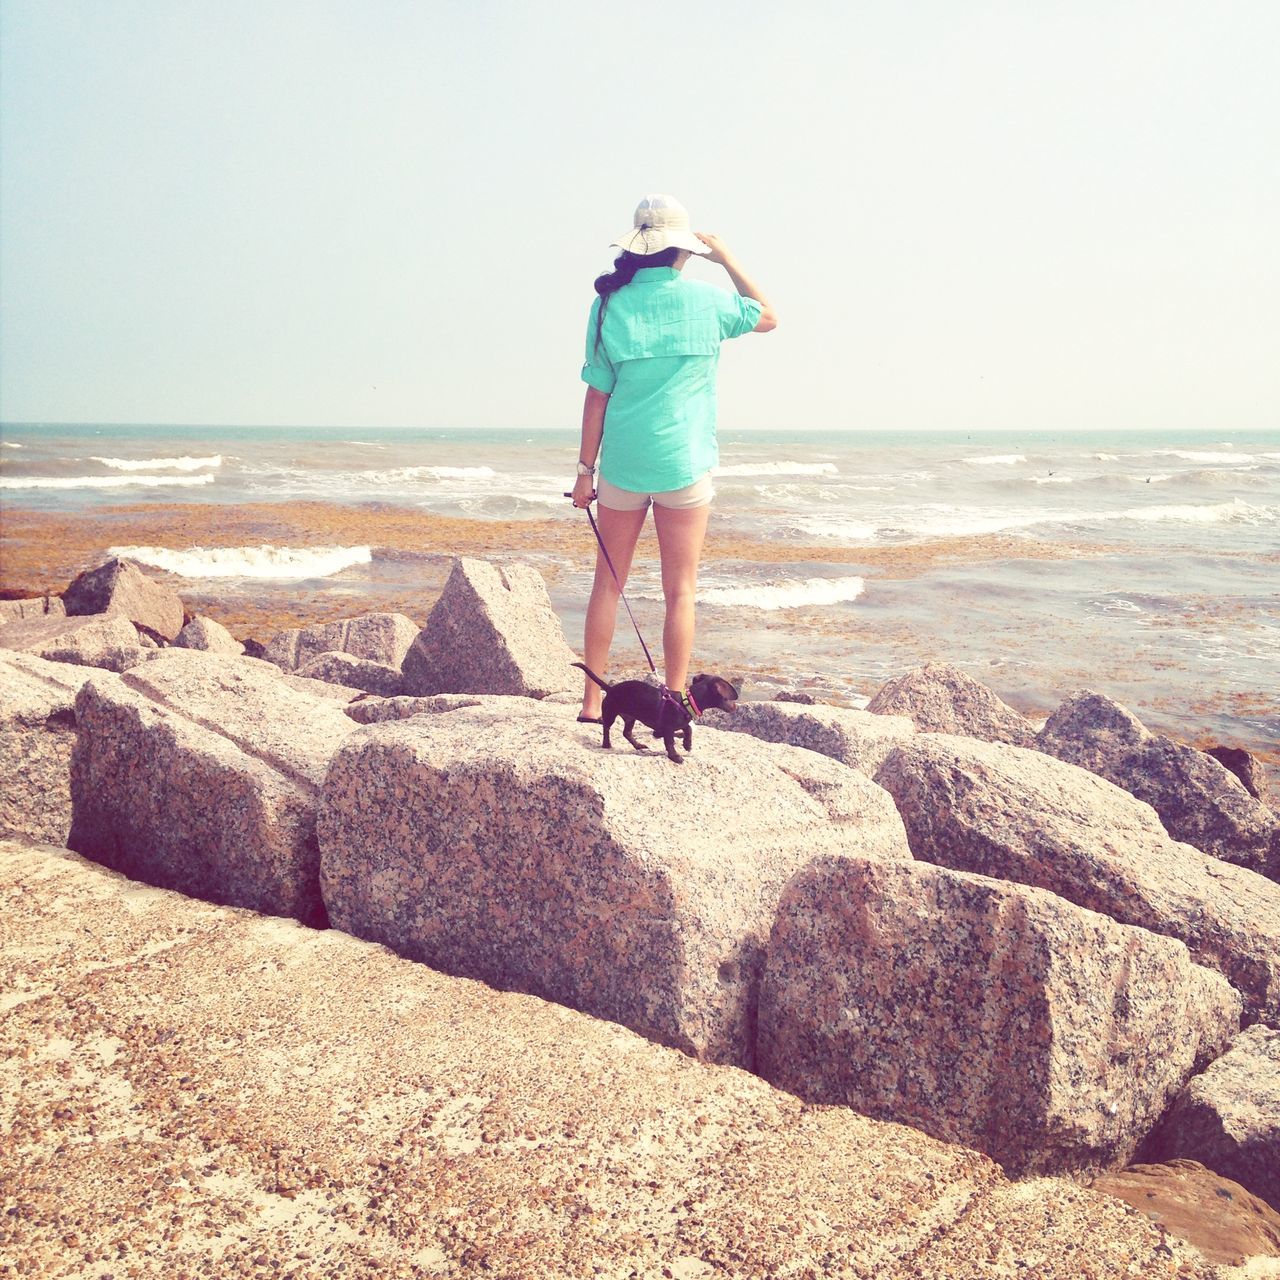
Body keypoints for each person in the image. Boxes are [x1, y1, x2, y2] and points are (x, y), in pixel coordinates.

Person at [571, 193, 776, 723]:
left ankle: (593, 703)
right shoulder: (709, 302)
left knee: (607, 585)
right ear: (683, 251)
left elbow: (597, 395)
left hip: (623, 465)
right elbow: (769, 317)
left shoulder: (608, 305)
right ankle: (675, 701)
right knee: (680, 590)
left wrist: (583, 473)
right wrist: (727, 258)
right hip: (684, 464)